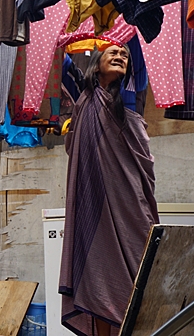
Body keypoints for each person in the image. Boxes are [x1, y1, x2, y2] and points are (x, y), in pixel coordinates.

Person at [59, 44, 160, 336]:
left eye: (123, 56)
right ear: (96, 63)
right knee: (97, 274)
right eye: (112, 53)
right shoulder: (85, 97)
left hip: (128, 198)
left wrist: (119, 16)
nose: (119, 57)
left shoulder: (129, 92)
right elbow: (60, 59)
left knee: (135, 269)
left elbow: (138, 43)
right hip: (94, 204)